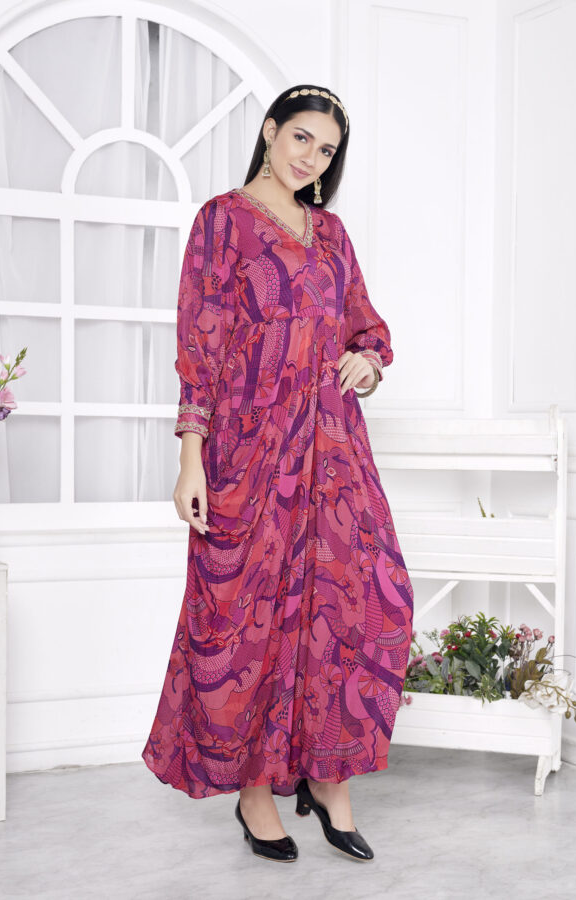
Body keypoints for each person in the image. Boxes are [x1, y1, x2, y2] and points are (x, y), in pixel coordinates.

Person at [142, 84, 414, 863]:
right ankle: (255, 789)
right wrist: (190, 458)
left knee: (364, 602)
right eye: (301, 138)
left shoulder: (331, 233)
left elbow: (365, 327)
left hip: (333, 450)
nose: (311, 158)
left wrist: (367, 361)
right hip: (250, 452)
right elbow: (200, 345)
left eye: (326, 150)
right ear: (269, 131)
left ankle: (328, 778)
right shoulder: (222, 221)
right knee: (247, 621)